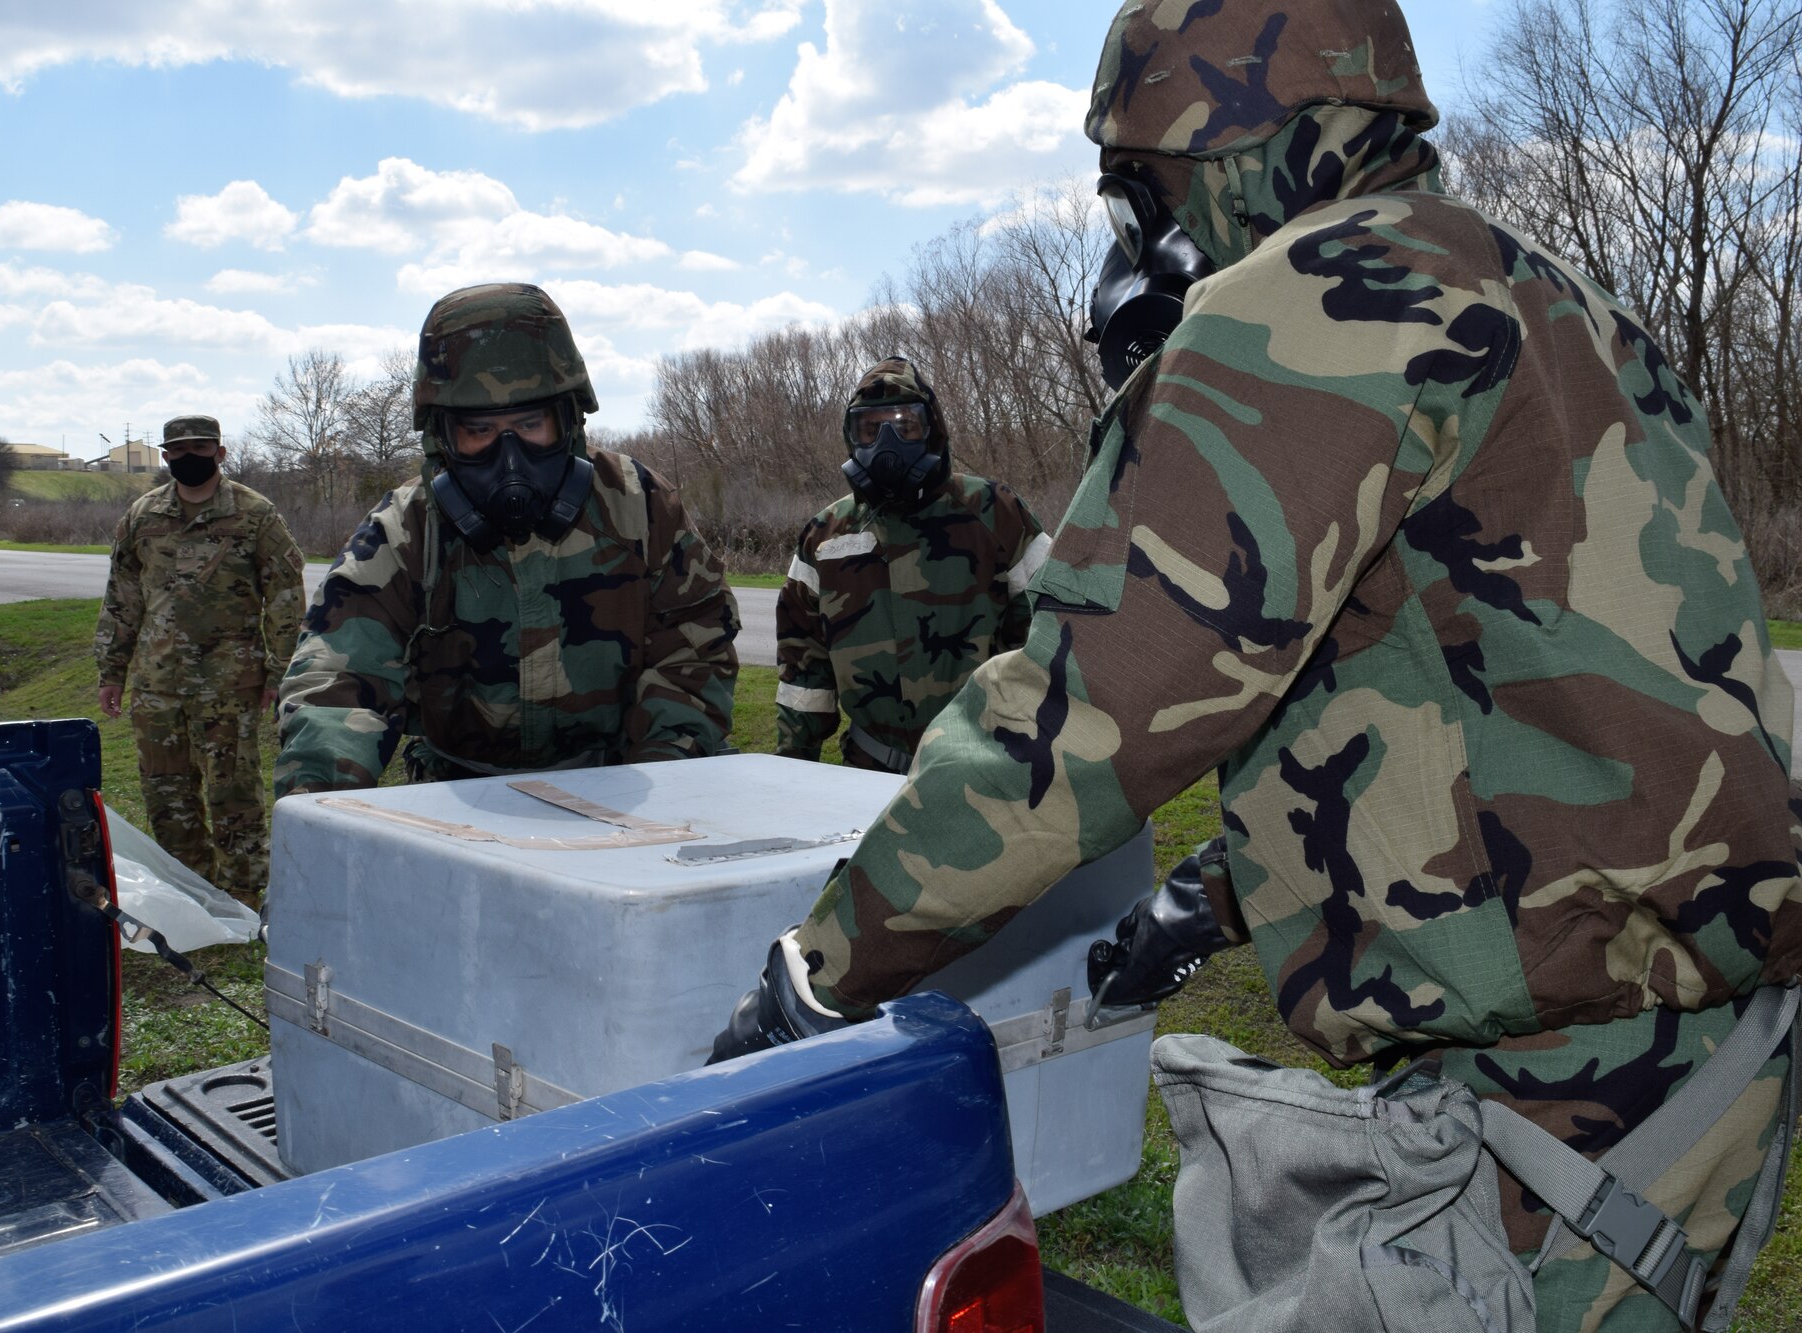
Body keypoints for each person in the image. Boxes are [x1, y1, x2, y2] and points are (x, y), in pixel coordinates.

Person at [712, 2, 1802, 1327]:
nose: (1145, 239)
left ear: (1218, 146)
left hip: (1553, 1101)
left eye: (1142, 193)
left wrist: (819, 968)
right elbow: (1502, 691)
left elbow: (1081, 714)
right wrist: (1219, 893)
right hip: (1699, 1057)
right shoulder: (1540, 293)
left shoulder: (1319, 292)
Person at [275, 283, 738, 797]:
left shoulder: (638, 503)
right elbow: (336, 673)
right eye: (480, 430)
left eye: (529, 423)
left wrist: (662, 775)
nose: (509, 455)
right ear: (442, 437)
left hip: (621, 784)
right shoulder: (407, 526)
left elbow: (695, 646)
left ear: (568, 421)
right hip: (459, 799)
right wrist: (317, 802)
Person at [774, 357, 1047, 775]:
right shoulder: (825, 535)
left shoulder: (996, 513)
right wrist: (793, 767)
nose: (887, 443)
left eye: (905, 427)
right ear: (852, 438)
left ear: (931, 430)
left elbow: (1050, 637)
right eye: (870, 429)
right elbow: (804, 668)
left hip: (984, 768)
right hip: (869, 770)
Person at [95, 414, 305, 908]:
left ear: (220, 453)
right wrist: (112, 671)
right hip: (157, 682)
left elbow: (285, 598)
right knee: (167, 793)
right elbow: (121, 598)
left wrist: (280, 672)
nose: (189, 458)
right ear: (166, 457)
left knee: (233, 791)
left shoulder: (255, 514)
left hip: (230, 683)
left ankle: (243, 893)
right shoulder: (143, 516)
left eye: (200, 448)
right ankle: (186, 887)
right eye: (178, 450)